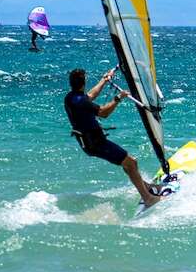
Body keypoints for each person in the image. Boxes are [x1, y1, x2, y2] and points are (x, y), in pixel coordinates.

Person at [64, 67, 161, 208]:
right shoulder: (80, 101)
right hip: (96, 143)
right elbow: (103, 113)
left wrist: (104, 80)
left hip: (89, 143)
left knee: (128, 163)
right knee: (131, 163)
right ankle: (148, 198)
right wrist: (118, 98)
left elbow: (90, 95)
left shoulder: (71, 97)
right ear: (84, 82)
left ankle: (146, 188)